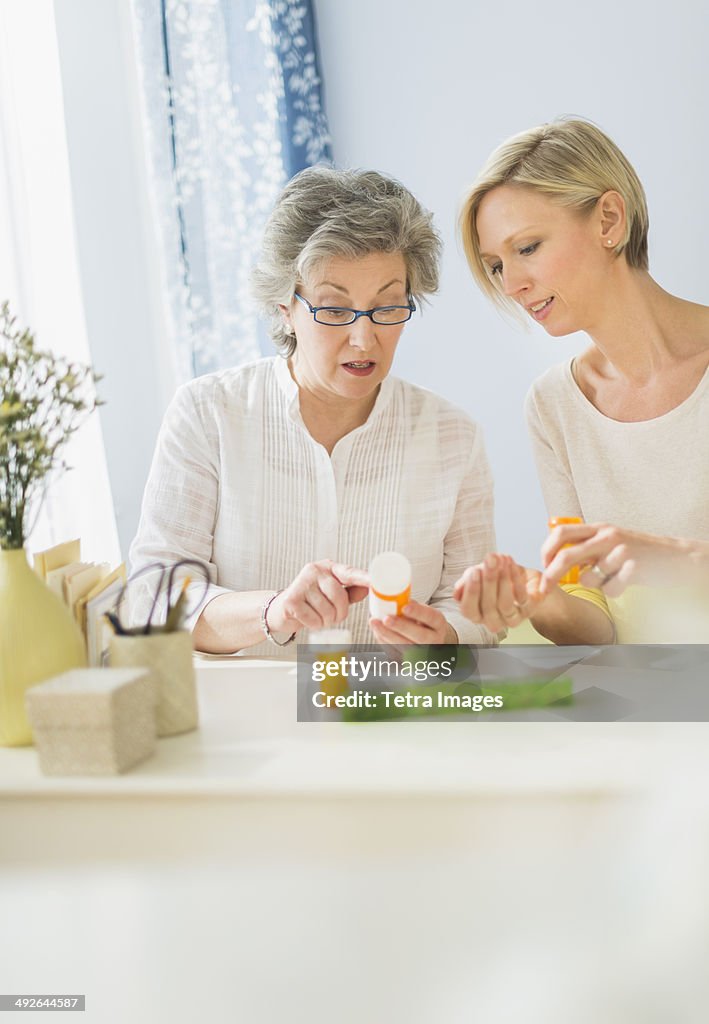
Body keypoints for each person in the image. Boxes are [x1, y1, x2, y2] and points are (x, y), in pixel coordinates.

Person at [129, 167, 498, 656]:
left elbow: (474, 613)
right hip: (246, 721)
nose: (364, 339)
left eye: (388, 307)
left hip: (390, 714)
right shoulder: (209, 415)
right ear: (286, 306)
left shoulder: (453, 437)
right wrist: (274, 611)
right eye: (334, 310)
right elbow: (155, 601)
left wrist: (445, 635)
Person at [455, 117, 709, 643]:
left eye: (526, 248)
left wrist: (672, 559)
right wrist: (538, 597)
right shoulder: (554, 404)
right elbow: (596, 621)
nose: (513, 285)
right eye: (496, 265)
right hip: (648, 700)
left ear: (609, 220)